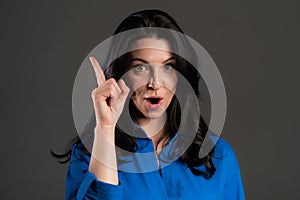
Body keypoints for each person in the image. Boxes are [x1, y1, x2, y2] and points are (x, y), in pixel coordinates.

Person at [54, 9, 245, 199]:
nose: (155, 83)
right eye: (141, 67)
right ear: (121, 74)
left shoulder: (219, 155)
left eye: (168, 66)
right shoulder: (90, 153)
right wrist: (105, 127)